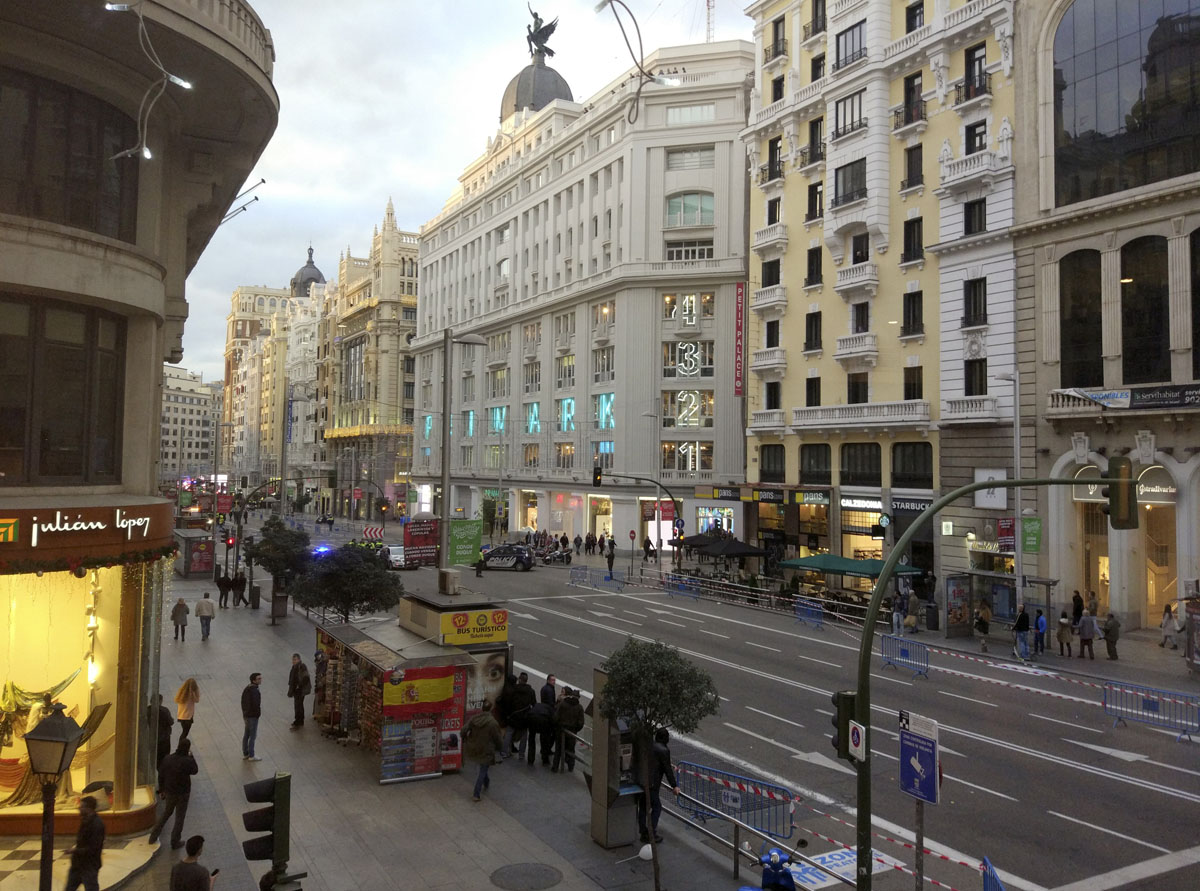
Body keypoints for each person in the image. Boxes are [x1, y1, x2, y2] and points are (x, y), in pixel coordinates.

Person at [149, 737, 198, 849]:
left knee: (166, 814)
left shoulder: (168, 759)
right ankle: (175, 841)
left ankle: (153, 835)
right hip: (183, 792)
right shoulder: (187, 761)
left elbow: (161, 775)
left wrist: (162, 789)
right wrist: (192, 757)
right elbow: (195, 770)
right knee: (180, 817)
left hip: (170, 792)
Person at [637, 728, 680, 844]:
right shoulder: (664, 750)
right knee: (656, 807)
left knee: (643, 806)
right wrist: (674, 786)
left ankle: (643, 830)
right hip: (652, 784)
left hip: (642, 781)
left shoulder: (650, 746)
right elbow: (667, 770)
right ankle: (651, 833)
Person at [63, 795, 105, 891]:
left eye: (81, 807)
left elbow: (93, 848)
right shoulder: (86, 820)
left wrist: (74, 851)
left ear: (88, 808)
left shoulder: (97, 825)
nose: (79, 808)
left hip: (89, 865)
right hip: (78, 864)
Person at [464, 701, 502, 801]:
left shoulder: (474, 719)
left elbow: (463, 730)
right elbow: (498, 738)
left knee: (483, 767)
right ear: (490, 709)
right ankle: (476, 794)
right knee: (483, 770)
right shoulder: (493, 723)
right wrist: (500, 748)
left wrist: (466, 740)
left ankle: (487, 781)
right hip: (487, 750)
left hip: (475, 747)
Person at [503, 672, 536, 758]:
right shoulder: (531, 691)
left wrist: (509, 713)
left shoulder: (513, 690)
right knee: (524, 736)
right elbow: (534, 704)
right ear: (526, 681)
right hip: (525, 717)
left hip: (514, 716)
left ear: (520, 680)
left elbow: (509, 703)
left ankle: (504, 752)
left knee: (509, 733)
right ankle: (521, 754)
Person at [552, 687, 585, 772]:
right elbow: (581, 723)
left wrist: (557, 726)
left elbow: (556, 717)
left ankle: (555, 767)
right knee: (571, 750)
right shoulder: (579, 707)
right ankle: (570, 767)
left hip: (561, 730)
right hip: (572, 732)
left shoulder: (563, 704)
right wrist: (575, 729)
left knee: (558, 749)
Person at [241, 672, 262, 760]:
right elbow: (256, 704)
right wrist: (258, 714)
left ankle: (245, 753)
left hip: (246, 715)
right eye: (259, 679)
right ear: (254, 680)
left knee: (246, 734)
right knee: (252, 735)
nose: (261, 680)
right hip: (252, 716)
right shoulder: (254, 691)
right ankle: (252, 755)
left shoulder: (247, 688)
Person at [287, 654, 311, 730]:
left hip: (300, 691)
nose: (293, 661)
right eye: (293, 660)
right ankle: (299, 720)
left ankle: (299, 721)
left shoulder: (302, 666)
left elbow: (306, 677)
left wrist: (299, 686)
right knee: (298, 705)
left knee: (298, 705)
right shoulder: (294, 667)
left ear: (299, 659)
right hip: (296, 690)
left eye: (295, 659)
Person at [151, 694, 174, 768]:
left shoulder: (148, 710)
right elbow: (171, 722)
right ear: (160, 701)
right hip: (164, 738)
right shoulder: (164, 710)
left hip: (152, 737)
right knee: (164, 756)